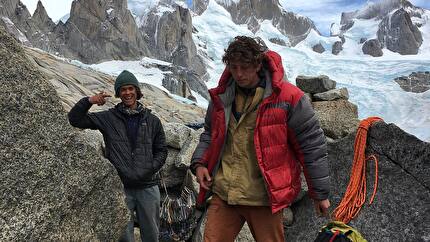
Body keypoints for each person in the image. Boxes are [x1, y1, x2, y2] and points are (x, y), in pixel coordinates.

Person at [190, 36, 330, 242]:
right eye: (233, 67)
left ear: (258, 64)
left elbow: (311, 146)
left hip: (264, 198)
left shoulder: (288, 98)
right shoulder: (223, 96)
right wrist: (200, 163)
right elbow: (210, 133)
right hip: (225, 192)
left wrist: (320, 194)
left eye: (244, 67)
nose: (238, 73)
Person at [68, 70, 168, 242]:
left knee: (152, 235)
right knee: (123, 236)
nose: (127, 93)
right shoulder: (108, 118)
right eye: (123, 89)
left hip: (148, 187)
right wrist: (89, 101)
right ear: (118, 93)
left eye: (131, 88)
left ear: (137, 91)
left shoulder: (153, 121)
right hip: (120, 188)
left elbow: (162, 151)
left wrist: (149, 168)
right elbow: (74, 119)